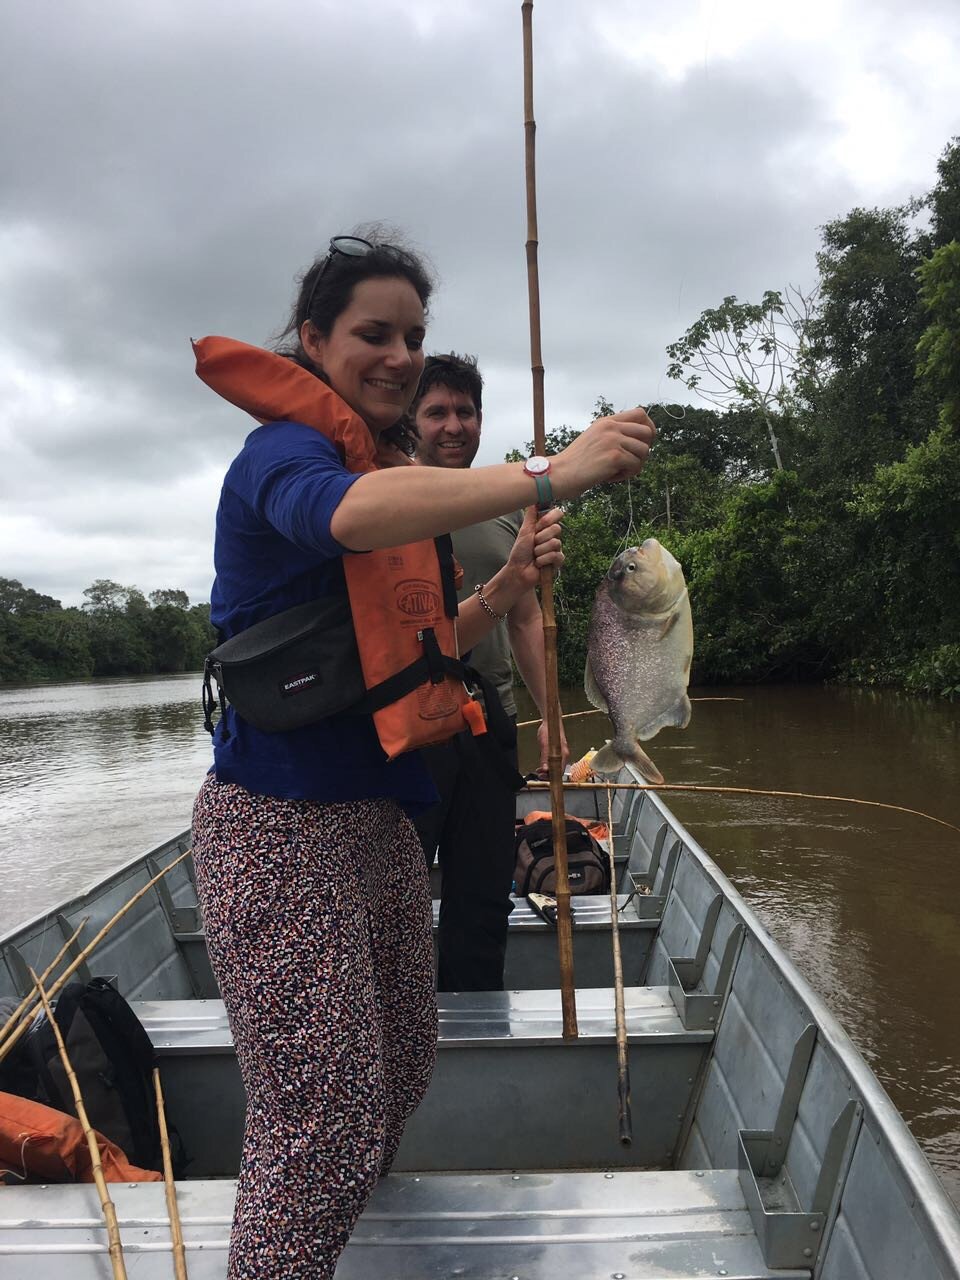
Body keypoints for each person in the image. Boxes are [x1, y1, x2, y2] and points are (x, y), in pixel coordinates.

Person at [191, 229, 656, 1279]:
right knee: (322, 1113)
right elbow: (344, 518)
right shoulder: (289, 457)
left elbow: (422, 647)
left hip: (377, 819)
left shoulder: (392, 468)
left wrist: (505, 591)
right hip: (274, 824)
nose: (400, 356)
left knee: (401, 1063)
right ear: (312, 338)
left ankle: (340, 1248)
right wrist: (544, 474)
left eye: (413, 336)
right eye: (373, 333)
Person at [410, 352, 569, 992]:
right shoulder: (388, 498)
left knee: (482, 890)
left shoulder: (509, 504)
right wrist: (507, 584)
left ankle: (477, 1017)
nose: (453, 426)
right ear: (410, 421)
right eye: (437, 412)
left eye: (465, 412)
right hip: (409, 731)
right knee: (396, 892)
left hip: (486, 724)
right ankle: (405, 1026)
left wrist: (551, 720)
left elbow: (527, 620)